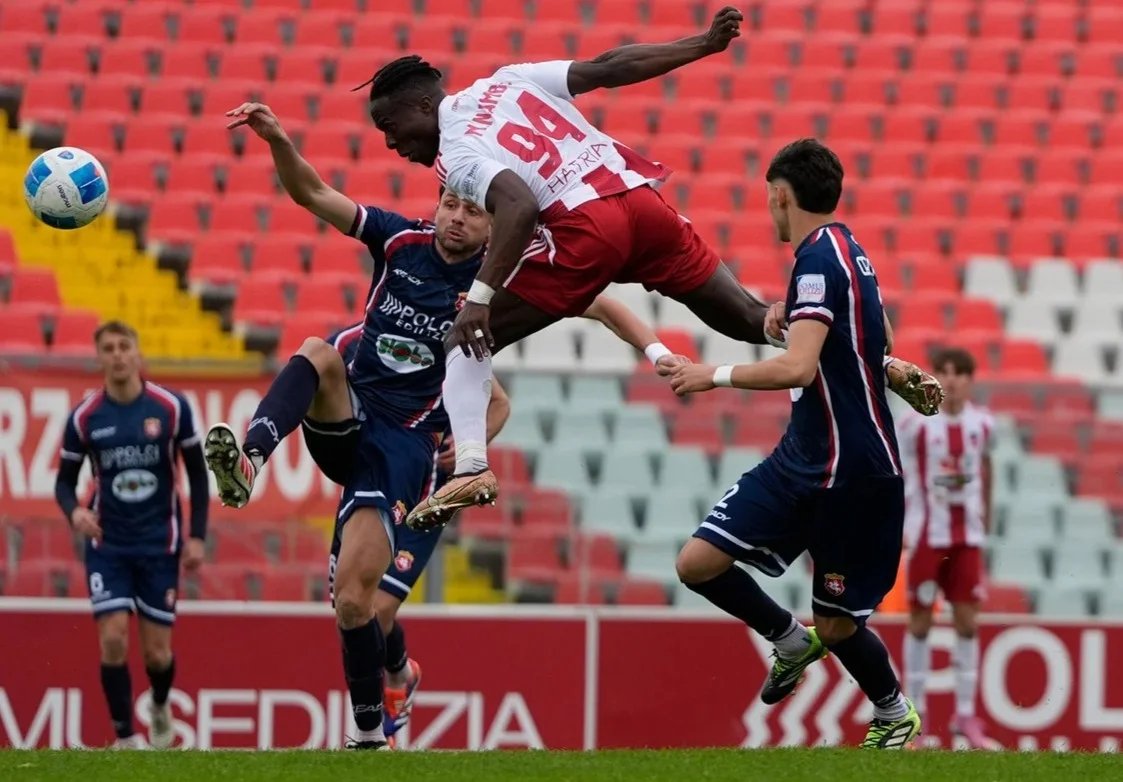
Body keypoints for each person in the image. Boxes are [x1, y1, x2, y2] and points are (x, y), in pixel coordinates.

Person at [354, 9, 944, 529]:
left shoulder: (456, 152)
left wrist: (480, 298)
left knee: (462, 337)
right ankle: (881, 357)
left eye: (390, 128)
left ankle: (474, 467)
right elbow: (609, 66)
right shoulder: (508, 81)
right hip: (639, 202)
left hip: (584, 228)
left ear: (424, 106)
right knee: (747, 316)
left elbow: (520, 205)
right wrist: (701, 45)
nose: (391, 144)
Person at [204, 102, 675, 749]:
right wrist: (280, 139)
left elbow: (597, 306)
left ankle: (371, 729)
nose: (456, 217)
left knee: (357, 606)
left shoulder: (510, 278)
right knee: (319, 352)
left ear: (495, 223)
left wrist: (657, 353)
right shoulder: (399, 241)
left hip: (405, 450)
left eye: (473, 210)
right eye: (451, 202)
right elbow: (312, 192)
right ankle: (249, 459)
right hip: (349, 416)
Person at [668, 139, 922, 749]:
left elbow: (799, 369)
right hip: (805, 455)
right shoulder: (848, 251)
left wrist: (713, 375)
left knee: (836, 626)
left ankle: (893, 713)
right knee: (698, 563)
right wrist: (807, 320)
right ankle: (787, 639)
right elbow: (878, 334)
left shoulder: (817, 259)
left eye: (768, 201)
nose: (769, 211)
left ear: (782, 196)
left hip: (853, 469)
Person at [54, 321, 209, 750]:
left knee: (157, 654)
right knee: (113, 639)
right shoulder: (85, 417)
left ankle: (159, 705)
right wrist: (75, 513)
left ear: (137, 353)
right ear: (99, 357)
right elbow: (64, 483)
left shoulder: (171, 407)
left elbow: (197, 472)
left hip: (161, 543)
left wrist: (197, 536)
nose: (118, 355)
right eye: (109, 348)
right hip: (108, 545)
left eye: (125, 346)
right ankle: (124, 739)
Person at [897, 347, 999, 749]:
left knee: (968, 623)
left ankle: (966, 717)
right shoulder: (913, 426)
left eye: (960, 372)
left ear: (970, 380)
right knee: (920, 623)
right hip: (926, 536)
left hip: (967, 539)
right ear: (934, 377)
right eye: (945, 371)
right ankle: (914, 720)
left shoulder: (984, 424)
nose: (952, 379)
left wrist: (986, 521)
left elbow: (985, 470)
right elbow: (898, 473)